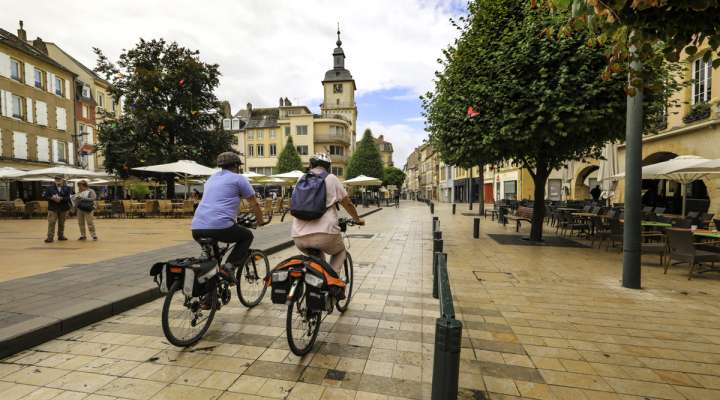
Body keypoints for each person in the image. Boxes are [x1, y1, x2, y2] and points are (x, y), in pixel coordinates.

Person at [191, 152, 268, 275]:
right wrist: (260, 221)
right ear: (236, 166)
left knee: (213, 256)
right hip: (220, 227)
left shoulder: (211, 178)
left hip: (196, 228)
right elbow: (254, 204)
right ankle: (228, 267)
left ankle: (211, 289)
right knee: (247, 236)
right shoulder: (238, 178)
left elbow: (220, 200)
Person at [292, 154, 365, 274]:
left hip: (298, 235)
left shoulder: (301, 179)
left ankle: (317, 282)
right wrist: (357, 219)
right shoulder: (331, 178)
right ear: (328, 167)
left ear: (310, 165)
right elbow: (348, 204)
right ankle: (332, 285)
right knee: (340, 251)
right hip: (325, 233)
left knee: (317, 263)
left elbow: (294, 203)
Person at [44, 176, 72, 243]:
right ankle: (50, 237)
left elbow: (69, 197)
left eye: (59, 179)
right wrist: (52, 198)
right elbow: (45, 196)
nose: (58, 180)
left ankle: (61, 236)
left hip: (63, 208)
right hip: (53, 208)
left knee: (61, 223)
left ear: (62, 180)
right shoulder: (49, 188)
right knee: (51, 222)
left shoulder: (67, 188)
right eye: (56, 179)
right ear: (54, 180)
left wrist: (61, 198)